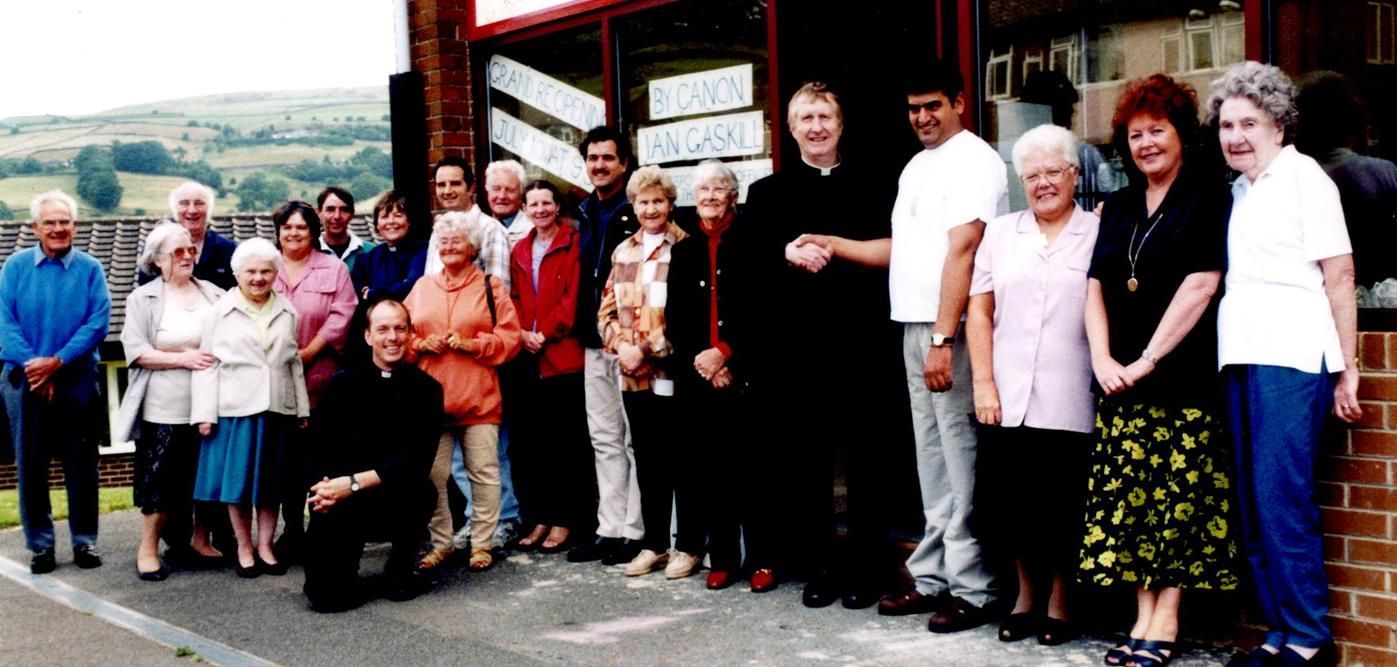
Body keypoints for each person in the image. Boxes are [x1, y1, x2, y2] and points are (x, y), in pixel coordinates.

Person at [800, 64, 1009, 631]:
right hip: (912, 328)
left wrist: (944, 337)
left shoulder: (975, 160)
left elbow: (963, 251)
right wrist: (833, 243)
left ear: (959, 103)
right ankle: (935, 578)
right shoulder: (917, 165)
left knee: (960, 456)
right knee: (932, 461)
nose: (922, 117)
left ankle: (974, 587)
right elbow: (903, 250)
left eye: (933, 105)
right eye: (914, 108)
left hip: (952, 330)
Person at [1080, 74, 1238, 667]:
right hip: (1118, 378)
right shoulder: (1117, 204)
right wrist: (1101, 359)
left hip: (1179, 375)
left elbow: (1202, 283)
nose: (1146, 143)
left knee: (1177, 504)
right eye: (1135, 134)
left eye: (1158, 131)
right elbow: (1093, 284)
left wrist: (1147, 359)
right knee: (1134, 502)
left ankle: (1164, 621)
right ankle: (1139, 616)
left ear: (1180, 136)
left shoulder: (1207, 195)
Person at [1209, 61, 1360, 667]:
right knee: (1250, 501)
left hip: (1292, 357)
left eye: (1250, 122)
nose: (1236, 135)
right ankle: (1279, 631)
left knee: (1281, 498)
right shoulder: (1240, 189)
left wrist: (1347, 367)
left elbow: (1340, 275)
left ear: (1278, 125)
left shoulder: (1305, 179)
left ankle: (1309, 638)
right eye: (1227, 125)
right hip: (1242, 353)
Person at [743, 82, 901, 600]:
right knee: (807, 464)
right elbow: (748, 269)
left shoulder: (875, 181)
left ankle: (869, 569)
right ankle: (820, 568)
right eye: (806, 118)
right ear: (790, 129)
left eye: (824, 117)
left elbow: (894, 248)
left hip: (863, 343)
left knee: (867, 462)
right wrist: (785, 253)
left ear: (840, 124)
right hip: (800, 351)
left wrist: (835, 247)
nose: (816, 127)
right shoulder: (767, 194)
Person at [965, 125, 1099, 644]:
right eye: (1032, 175)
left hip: (1071, 390)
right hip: (1008, 388)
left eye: (1053, 172)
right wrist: (982, 383)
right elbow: (980, 309)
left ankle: (1062, 602)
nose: (1043, 183)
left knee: (1064, 502)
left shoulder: (1098, 230)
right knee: (1013, 504)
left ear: (1074, 175)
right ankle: (1025, 597)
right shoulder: (1001, 233)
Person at [302, 298, 443, 613]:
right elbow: (320, 448)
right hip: (343, 499)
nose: (391, 337)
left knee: (423, 490)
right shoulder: (341, 385)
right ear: (368, 336)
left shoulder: (427, 390)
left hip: (395, 493)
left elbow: (417, 460)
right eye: (383, 329)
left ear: (409, 334)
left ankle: (399, 570)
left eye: (399, 328)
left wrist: (352, 483)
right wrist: (325, 489)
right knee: (327, 599)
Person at [666, 160, 766, 589]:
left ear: (733, 195)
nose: (709, 196)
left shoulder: (753, 243)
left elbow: (764, 312)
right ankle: (723, 558)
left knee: (753, 469)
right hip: (699, 379)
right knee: (711, 471)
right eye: (702, 189)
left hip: (745, 374)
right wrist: (705, 363)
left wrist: (726, 354)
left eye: (718, 188)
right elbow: (675, 319)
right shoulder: (683, 250)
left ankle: (763, 560)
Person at [596, 166, 699, 578]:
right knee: (649, 459)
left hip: (670, 372)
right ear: (633, 206)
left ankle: (688, 545)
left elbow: (686, 318)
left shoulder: (684, 248)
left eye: (658, 201)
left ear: (670, 204)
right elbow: (604, 310)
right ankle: (654, 543)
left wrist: (644, 348)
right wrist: (621, 345)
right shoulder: (623, 251)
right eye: (643, 202)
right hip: (632, 375)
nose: (650, 208)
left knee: (682, 458)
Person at [0, 190, 111, 574]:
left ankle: (85, 542)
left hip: (76, 378)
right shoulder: (14, 268)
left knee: (81, 463)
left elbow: (97, 323)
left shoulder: (91, 269)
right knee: (30, 464)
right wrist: (36, 368)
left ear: (75, 226)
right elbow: (5, 323)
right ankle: (41, 547)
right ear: (35, 227)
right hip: (24, 379)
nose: (58, 228)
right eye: (50, 222)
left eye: (65, 221)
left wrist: (57, 363)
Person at [404, 211, 522, 573]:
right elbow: (399, 336)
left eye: (457, 240)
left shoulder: (490, 286)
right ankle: (441, 543)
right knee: (433, 475)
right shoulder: (422, 288)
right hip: (431, 401)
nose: (450, 246)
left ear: (473, 247)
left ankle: (481, 544)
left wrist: (474, 345)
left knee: (484, 472)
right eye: (444, 241)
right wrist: (422, 344)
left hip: (478, 396)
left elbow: (511, 337)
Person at [192, 238, 311, 579]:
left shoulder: (288, 311)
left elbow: (293, 364)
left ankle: (266, 546)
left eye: (265, 271)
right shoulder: (218, 312)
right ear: (237, 273)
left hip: (277, 408)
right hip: (235, 409)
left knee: (272, 484)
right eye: (251, 271)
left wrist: (300, 408)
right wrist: (204, 414)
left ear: (276, 274)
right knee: (239, 484)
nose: (258, 278)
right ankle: (244, 547)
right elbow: (207, 364)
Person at [115, 222, 225, 581]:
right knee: (160, 479)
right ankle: (147, 549)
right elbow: (137, 351)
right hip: (164, 405)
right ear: (159, 260)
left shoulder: (215, 294)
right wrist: (184, 358)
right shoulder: (141, 298)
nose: (188, 256)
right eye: (178, 251)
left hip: (210, 402)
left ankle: (200, 539)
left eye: (191, 249)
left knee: (205, 474)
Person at [430, 156, 521, 550]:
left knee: (487, 451)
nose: (448, 190)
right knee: (456, 458)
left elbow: (499, 295)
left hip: (479, 356)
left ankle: (503, 519)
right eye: (441, 184)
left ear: (471, 187)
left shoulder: (489, 231)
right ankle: (477, 520)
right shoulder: (440, 232)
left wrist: (471, 338)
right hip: (445, 362)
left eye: (455, 183)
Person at [566, 126, 644, 566]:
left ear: (624, 163)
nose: (599, 165)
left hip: (630, 344)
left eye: (607, 158)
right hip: (594, 342)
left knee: (633, 439)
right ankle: (609, 528)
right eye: (593, 158)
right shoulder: (583, 211)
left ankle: (636, 529)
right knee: (604, 439)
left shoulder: (635, 211)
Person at [506, 180, 593, 553]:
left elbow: (573, 297)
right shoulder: (521, 249)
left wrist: (546, 332)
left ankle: (565, 521)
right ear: (524, 209)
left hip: (564, 357)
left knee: (566, 447)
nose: (540, 210)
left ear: (557, 207)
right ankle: (541, 517)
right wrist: (524, 332)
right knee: (535, 446)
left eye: (546, 203)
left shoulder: (572, 242)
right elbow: (512, 297)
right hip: (530, 359)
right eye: (533, 204)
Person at [271, 200, 358, 561]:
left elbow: (342, 314)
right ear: (278, 231)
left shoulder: (333, 269)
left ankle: (318, 529)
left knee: (318, 461)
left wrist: (308, 353)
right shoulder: (265, 267)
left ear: (314, 232)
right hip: (274, 383)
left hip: (321, 380)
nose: (294, 233)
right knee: (284, 462)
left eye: (302, 228)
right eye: (288, 227)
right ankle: (290, 530)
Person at [140, 181, 237, 290]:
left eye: (199, 203)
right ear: (175, 209)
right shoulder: (157, 247)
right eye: (184, 203)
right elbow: (146, 291)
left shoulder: (228, 250)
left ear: (209, 209)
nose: (192, 210)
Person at [350, 190, 428, 302]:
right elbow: (358, 294)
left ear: (409, 221)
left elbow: (411, 285)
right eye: (384, 216)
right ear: (377, 224)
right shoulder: (367, 260)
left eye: (398, 215)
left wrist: (372, 293)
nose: (391, 221)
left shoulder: (422, 251)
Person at [317, 186, 375, 272]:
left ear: (352, 214)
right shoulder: (309, 251)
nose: (337, 216)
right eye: (330, 209)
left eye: (344, 210)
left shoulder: (371, 252)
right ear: (319, 213)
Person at [485, 160, 533, 246]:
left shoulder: (532, 231)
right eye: (496, 189)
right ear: (488, 190)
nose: (502, 196)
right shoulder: (478, 228)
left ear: (521, 193)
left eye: (510, 190)